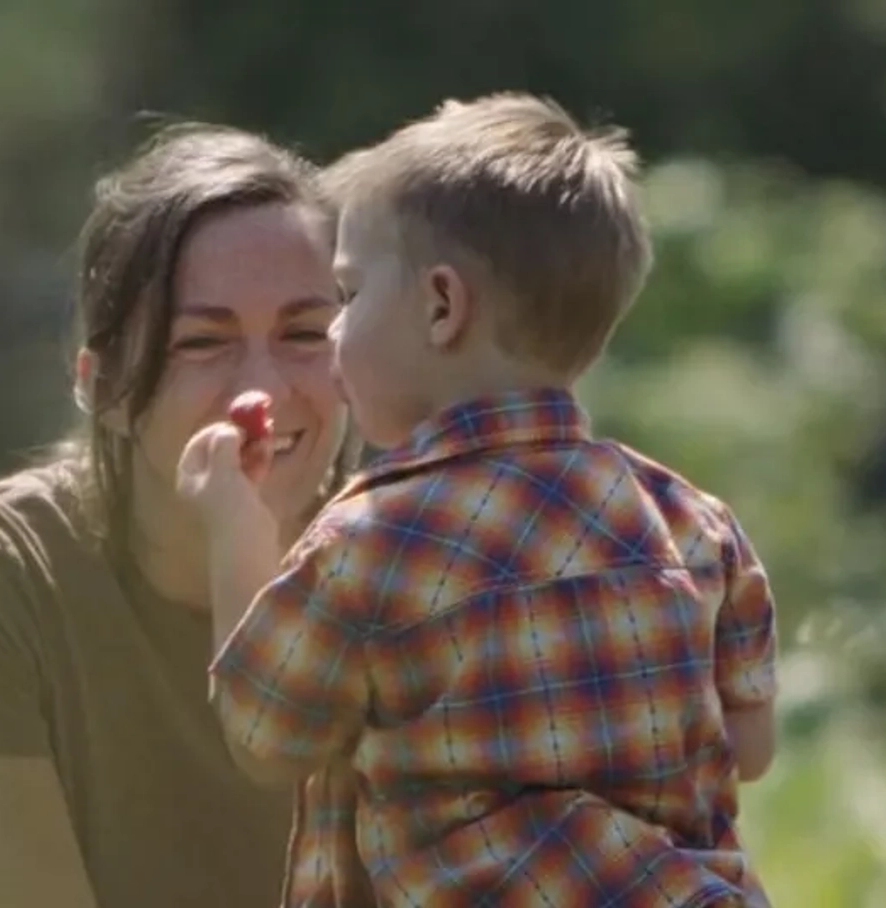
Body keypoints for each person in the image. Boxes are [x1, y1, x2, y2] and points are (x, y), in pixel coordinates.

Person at [178, 93, 780, 907]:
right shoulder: (691, 521)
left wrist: (233, 527)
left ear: (440, 306)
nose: (332, 333)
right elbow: (750, 743)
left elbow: (265, 732)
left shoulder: (376, 538)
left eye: (349, 296)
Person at [0, 121, 360, 908]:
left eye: (305, 333)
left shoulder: (413, 576)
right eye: (203, 343)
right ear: (102, 384)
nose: (264, 393)